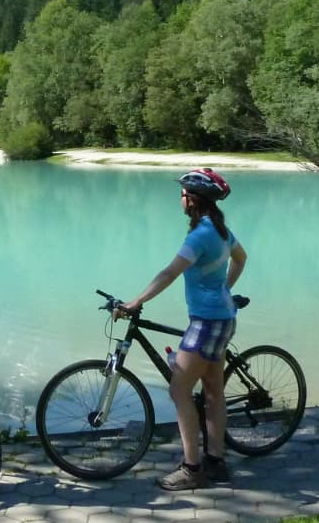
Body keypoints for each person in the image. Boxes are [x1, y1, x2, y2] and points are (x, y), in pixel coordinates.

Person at [117, 167, 247, 491]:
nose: (180, 199)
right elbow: (241, 259)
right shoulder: (220, 231)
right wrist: (224, 291)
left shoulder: (200, 235)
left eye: (182, 194)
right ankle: (216, 462)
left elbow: (169, 273)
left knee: (179, 390)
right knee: (214, 390)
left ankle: (192, 469)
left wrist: (135, 301)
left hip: (206, 322)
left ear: (192, 199)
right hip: (223, 318)